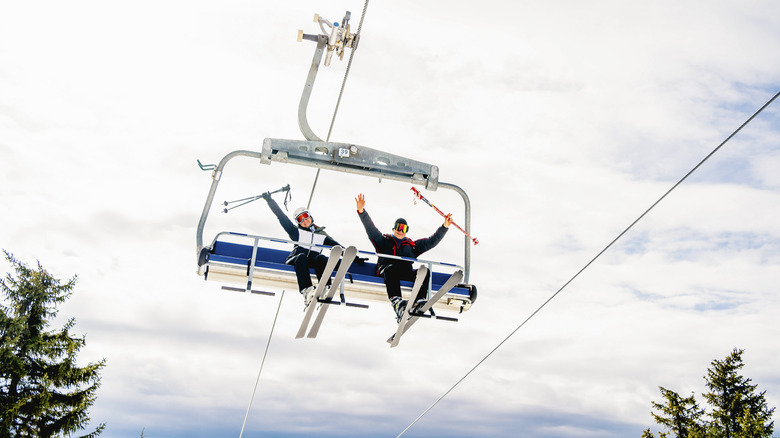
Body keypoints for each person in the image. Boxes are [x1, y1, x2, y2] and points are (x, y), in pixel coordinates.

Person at [355, 193, 453, 321]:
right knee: (391, 269)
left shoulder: (411, 246)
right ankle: (397, 303)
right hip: (388, 272)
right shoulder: (383, 241)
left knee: (425, 272)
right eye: (398, 227)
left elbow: (431, 242)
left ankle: (420, 300)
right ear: (394, 228)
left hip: (406, 272)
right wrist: (362, 211)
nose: (400, 230)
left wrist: (444, 227)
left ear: (406, 230)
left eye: (403, 228)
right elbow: (370, 229)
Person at [261, 192, 343, 303]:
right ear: (298, 223)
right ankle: (307, 290)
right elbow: (281, 216)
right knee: (301, 256)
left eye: (305, 217)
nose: (304, 221)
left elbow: (337, 247)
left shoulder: (321, 236)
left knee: (321, 258)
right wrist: (270, 201)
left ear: (310, 217)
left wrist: (354, 257)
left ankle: (325, 287)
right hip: (296, 260)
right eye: (300, 219)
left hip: (312, 262)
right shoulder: (296, 233)